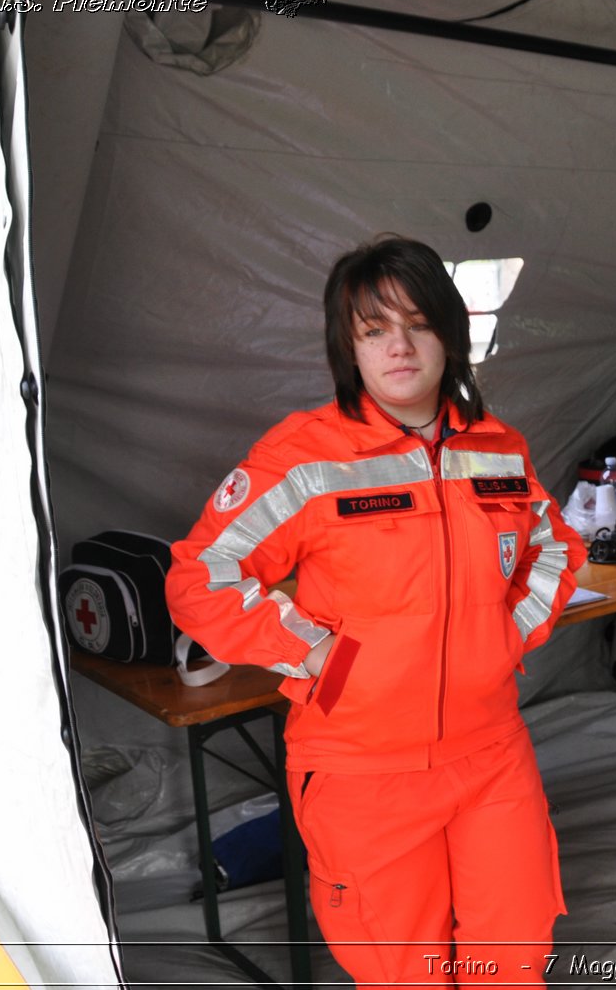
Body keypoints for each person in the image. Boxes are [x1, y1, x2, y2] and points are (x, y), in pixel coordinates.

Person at [165, 236, 586, 986]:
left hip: (491, 757)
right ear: (348, 346)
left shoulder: (497, 450)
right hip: (364, 771)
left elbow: (556, 551)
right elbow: (202, 574)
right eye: (373, 329)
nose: (399, 345)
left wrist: (503, 634)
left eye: (418, 323)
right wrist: (321, 655)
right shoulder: (305, 458)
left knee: (513, 962)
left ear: (449, 336)